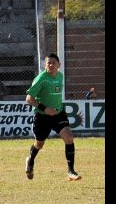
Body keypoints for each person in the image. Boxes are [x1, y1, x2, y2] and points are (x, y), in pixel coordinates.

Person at [25, 53, 81, 181]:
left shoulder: (60, 76)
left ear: (59, 65)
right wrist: (45, 109)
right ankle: (30, 160)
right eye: (48, 63)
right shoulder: (41, 79)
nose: (50, 65)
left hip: (58, 114)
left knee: (69, 137)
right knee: (39, 144)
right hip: (42, 116)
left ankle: (71, 171)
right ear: (45, 65)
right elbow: (29, 98)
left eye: (53, 63)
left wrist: (54, 109)